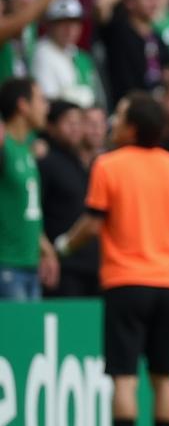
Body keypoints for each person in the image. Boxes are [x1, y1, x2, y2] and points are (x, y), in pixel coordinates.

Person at [53, 92, 169, 426]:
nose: (114, 122)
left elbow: (92, 225)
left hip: (124, 281)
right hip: (168, 282)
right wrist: (167, 227)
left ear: (132, 126)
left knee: (124, 377)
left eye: (121, 116)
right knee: (163, 377)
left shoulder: (108, 165)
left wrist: (62, 246)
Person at [0, 77, 59, 300]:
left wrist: (45, 248)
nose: (46, 107)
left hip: (30, 265)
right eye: (41, 100)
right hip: (6, 265)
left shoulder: (26, 151)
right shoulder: (4, 148)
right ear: (23, 105)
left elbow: (26, 209)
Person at [38, 99, 97, 297]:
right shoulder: (45, 163)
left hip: (93, 266)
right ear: (51, 127)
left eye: (78, 122)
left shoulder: (88, 165)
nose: (75, 128)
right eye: (68, 122)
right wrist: (47, 253)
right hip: (63, 267)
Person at [30, 0, 104, 108]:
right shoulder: (41, 53)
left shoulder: (81, 56)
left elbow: (97, 98)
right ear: (50, 25)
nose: (69, 29)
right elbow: (49, 101)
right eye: (63, 23)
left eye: (74, 23)